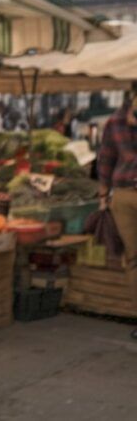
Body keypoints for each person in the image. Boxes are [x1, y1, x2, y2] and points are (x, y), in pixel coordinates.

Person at [96, 92, 137, 339]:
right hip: (124, 197)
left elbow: (105, 159)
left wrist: (103, 196)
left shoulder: (115, 120)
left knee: (134, 260)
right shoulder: (117, 120)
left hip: (122, 195)